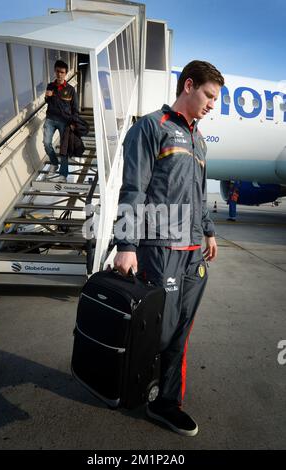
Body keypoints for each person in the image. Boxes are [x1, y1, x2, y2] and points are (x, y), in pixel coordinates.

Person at [113, 60, 224, 436]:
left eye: (215, 99)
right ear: (188, 85)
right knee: (156, 332)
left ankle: (166, 402)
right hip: (160, 248)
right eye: (209, 96)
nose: (212, 105)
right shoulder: (151, 127)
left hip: (194, 252)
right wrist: (126, 244)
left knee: (181, 332)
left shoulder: (199, 140)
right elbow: (133, 190)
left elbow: (199, 193)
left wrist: (209, 231)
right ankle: (126, 381)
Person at [43, 60, 78, 183]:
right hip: (50, 119)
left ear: (66, 73)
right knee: (47, 143)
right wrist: (47, 97)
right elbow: (47, 102)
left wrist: (74, 123)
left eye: (62, 72)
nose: (59, 74)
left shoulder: (70, 90)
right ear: (55, 71)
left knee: (64, 148)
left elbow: (75, 108)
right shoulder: (50, 86)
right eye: (57, 71)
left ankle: (63, 174)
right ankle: (54, 163)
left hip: (65, 122)